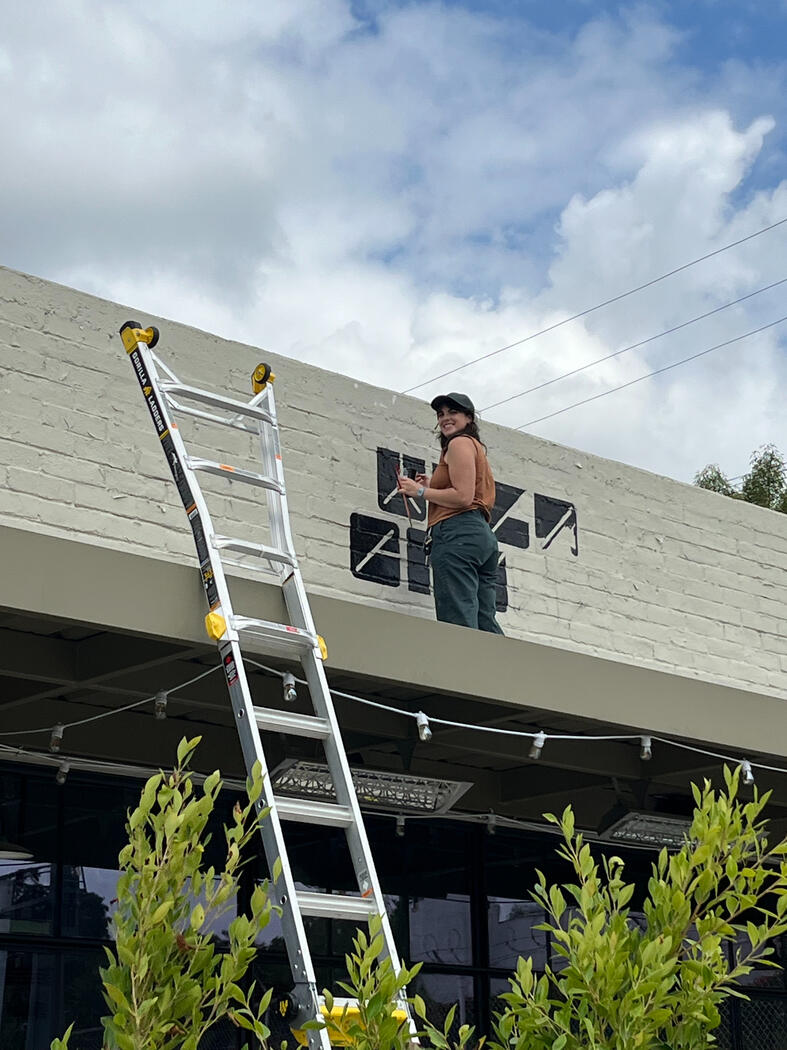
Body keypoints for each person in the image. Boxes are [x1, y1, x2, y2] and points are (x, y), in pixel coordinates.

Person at [398, 393, 504, 634]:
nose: (445, 418)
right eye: (441, 414)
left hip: (457, 532)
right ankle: (499, 670)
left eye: (452, 412)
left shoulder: (458, 444)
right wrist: (434, 484)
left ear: (469, 417)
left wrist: (421, 491)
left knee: (457, 619)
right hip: (480, 535)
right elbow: (471, 493)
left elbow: (463, 496)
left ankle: (464, 671)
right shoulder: (474, 447)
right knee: (484, 620)